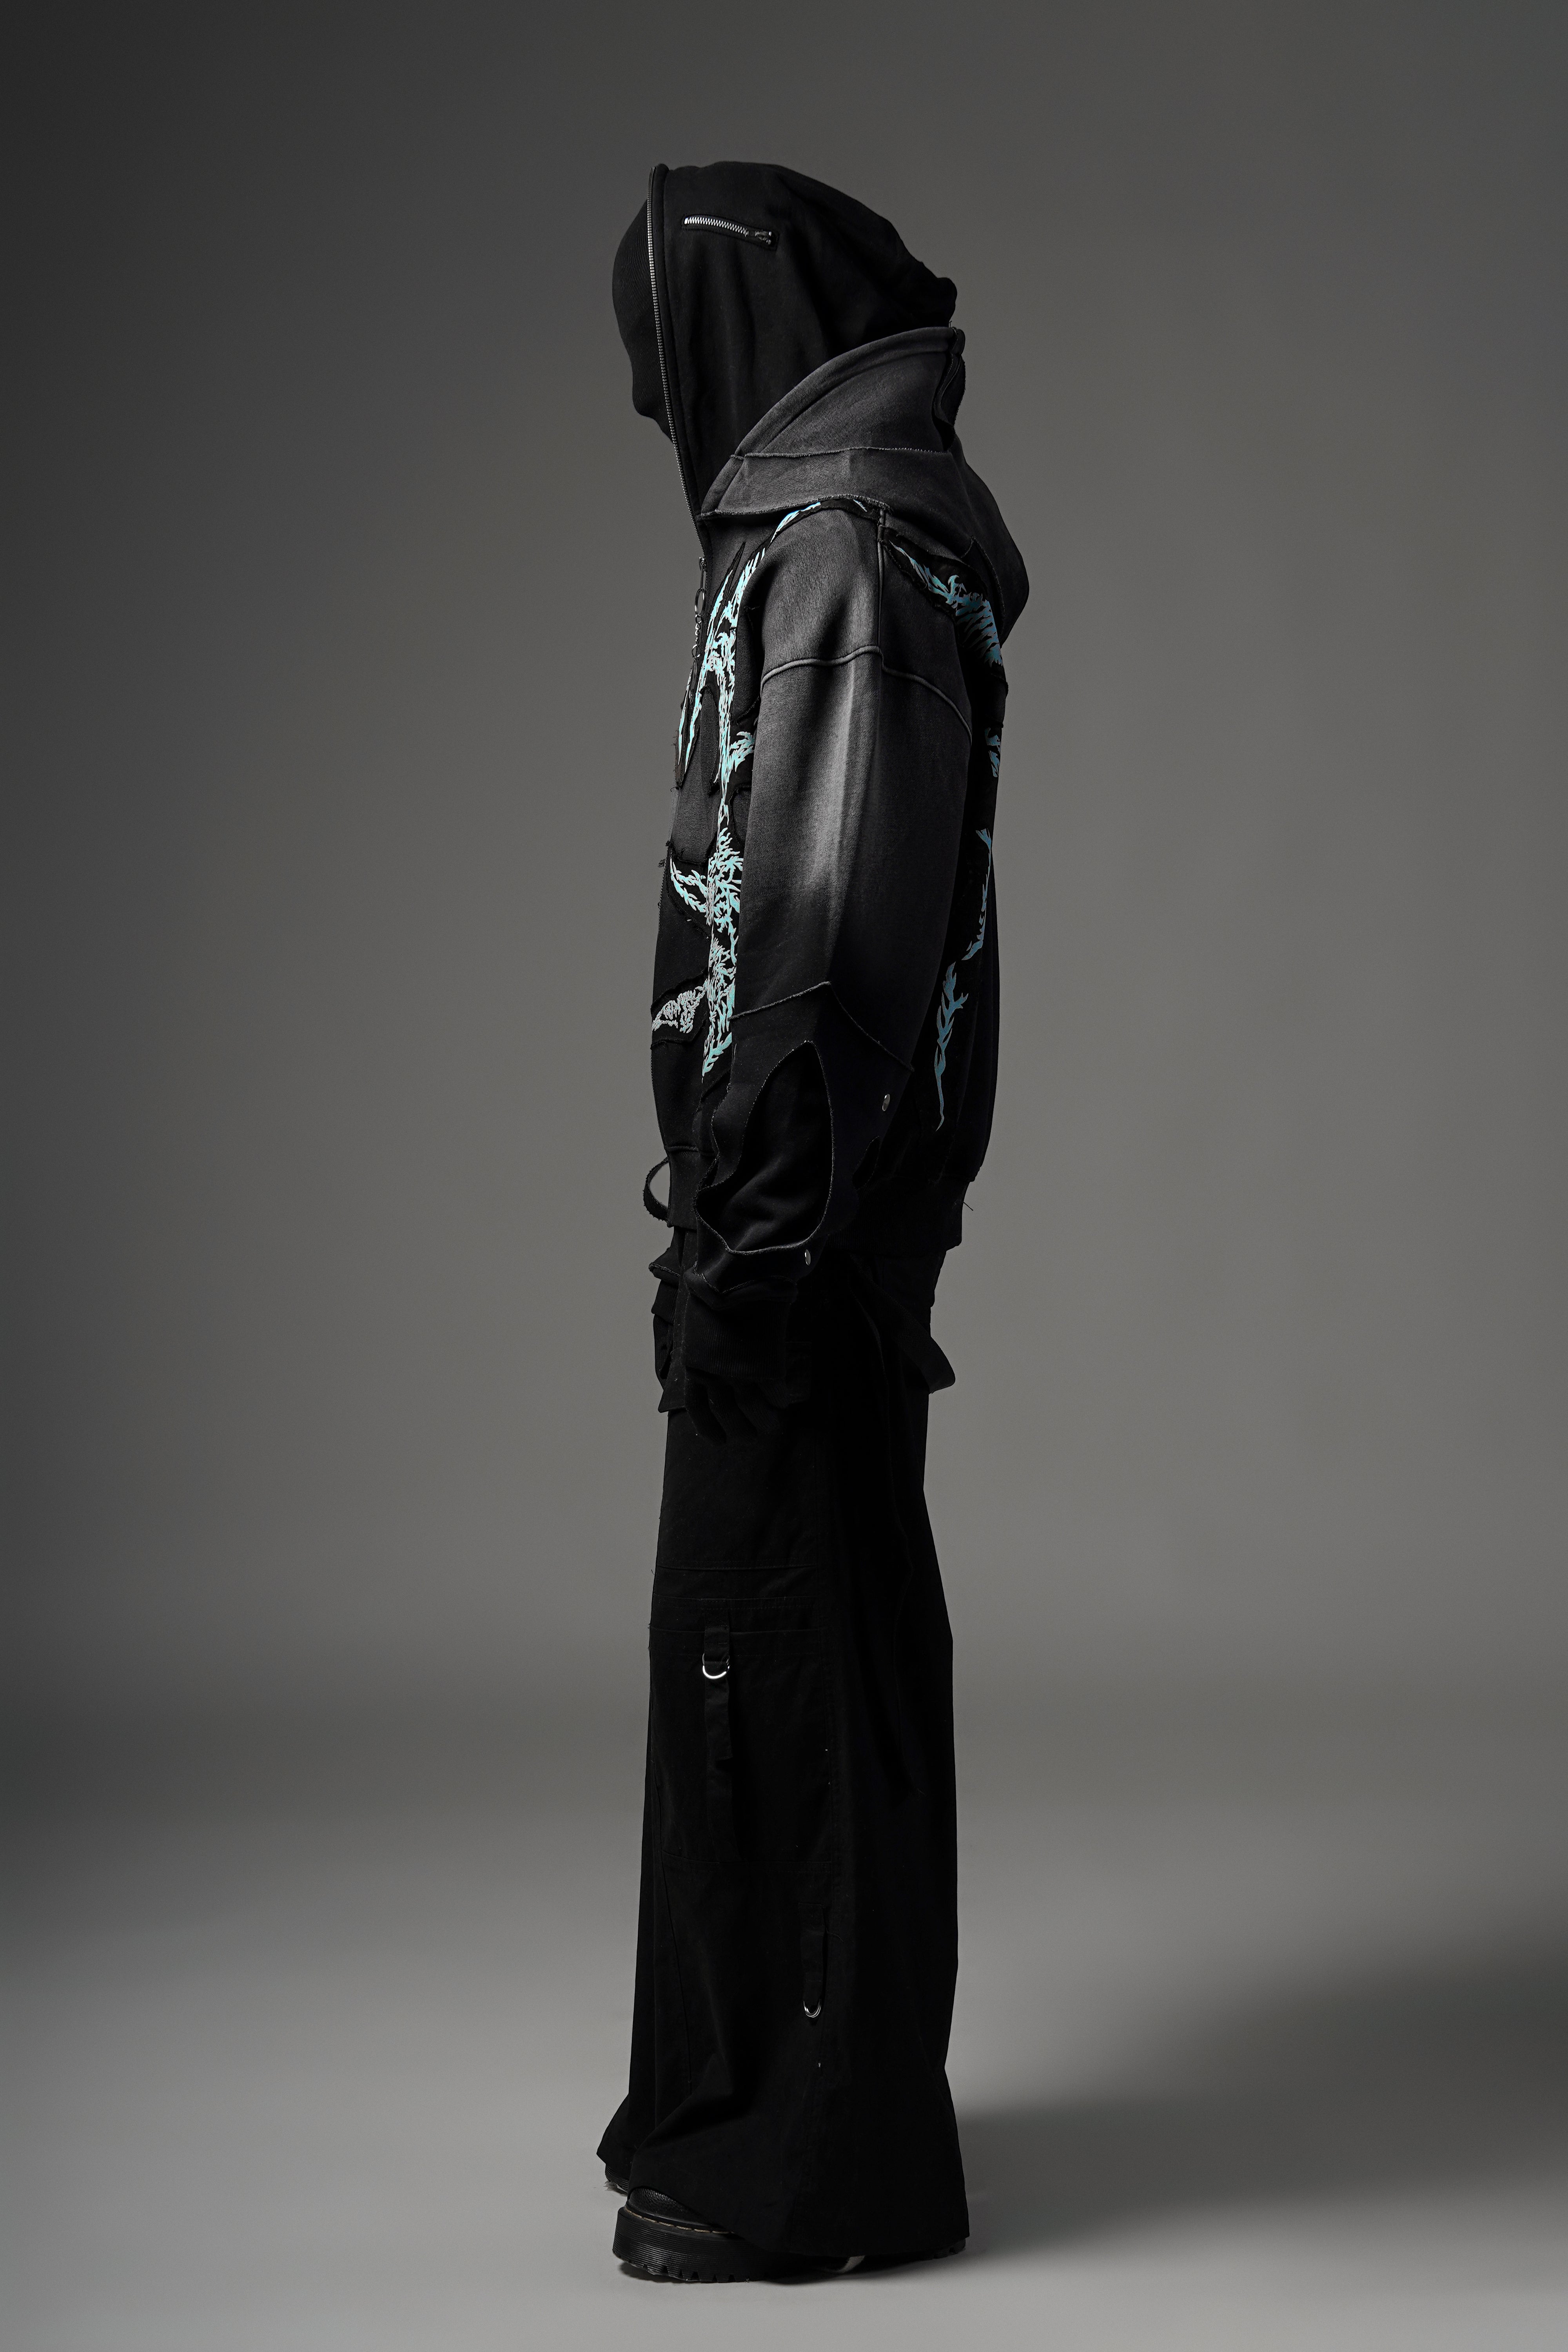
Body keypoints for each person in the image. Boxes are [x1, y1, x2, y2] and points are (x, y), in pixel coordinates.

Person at [599, 160, 1027, 2283]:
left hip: (796, 1240)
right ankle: (828, 2132)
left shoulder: (840, 556)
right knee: (812, 1646)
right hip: (803, 1224)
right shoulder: (832, 546)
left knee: (768, 1661)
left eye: (663, 346)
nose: (652, 393)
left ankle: (784, 2171)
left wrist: (755, 1245)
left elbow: (832, 931)